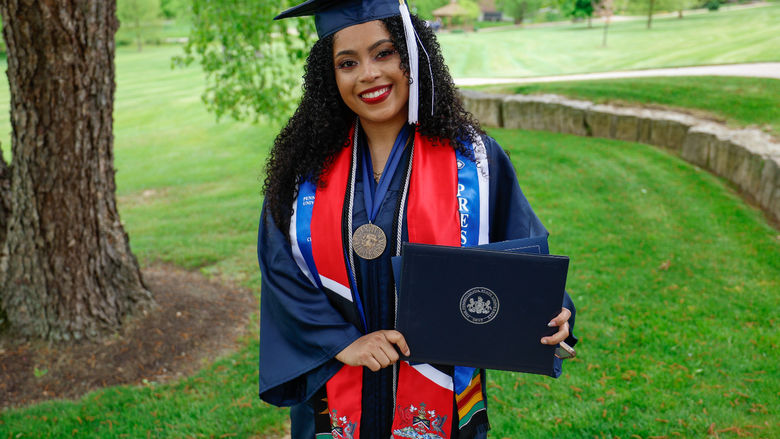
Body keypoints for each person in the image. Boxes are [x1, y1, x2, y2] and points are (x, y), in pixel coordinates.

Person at [257, 1, 577, 438]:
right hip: (335, 399)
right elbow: (280, 270)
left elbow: (522, 255)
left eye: (384, 53)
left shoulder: (475, 161)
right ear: (329, 77)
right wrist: (342, 342)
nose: (368, 74)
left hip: (441, 395)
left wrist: (554, 311)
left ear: (413, 56)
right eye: (347, 62)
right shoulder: (303, 171)